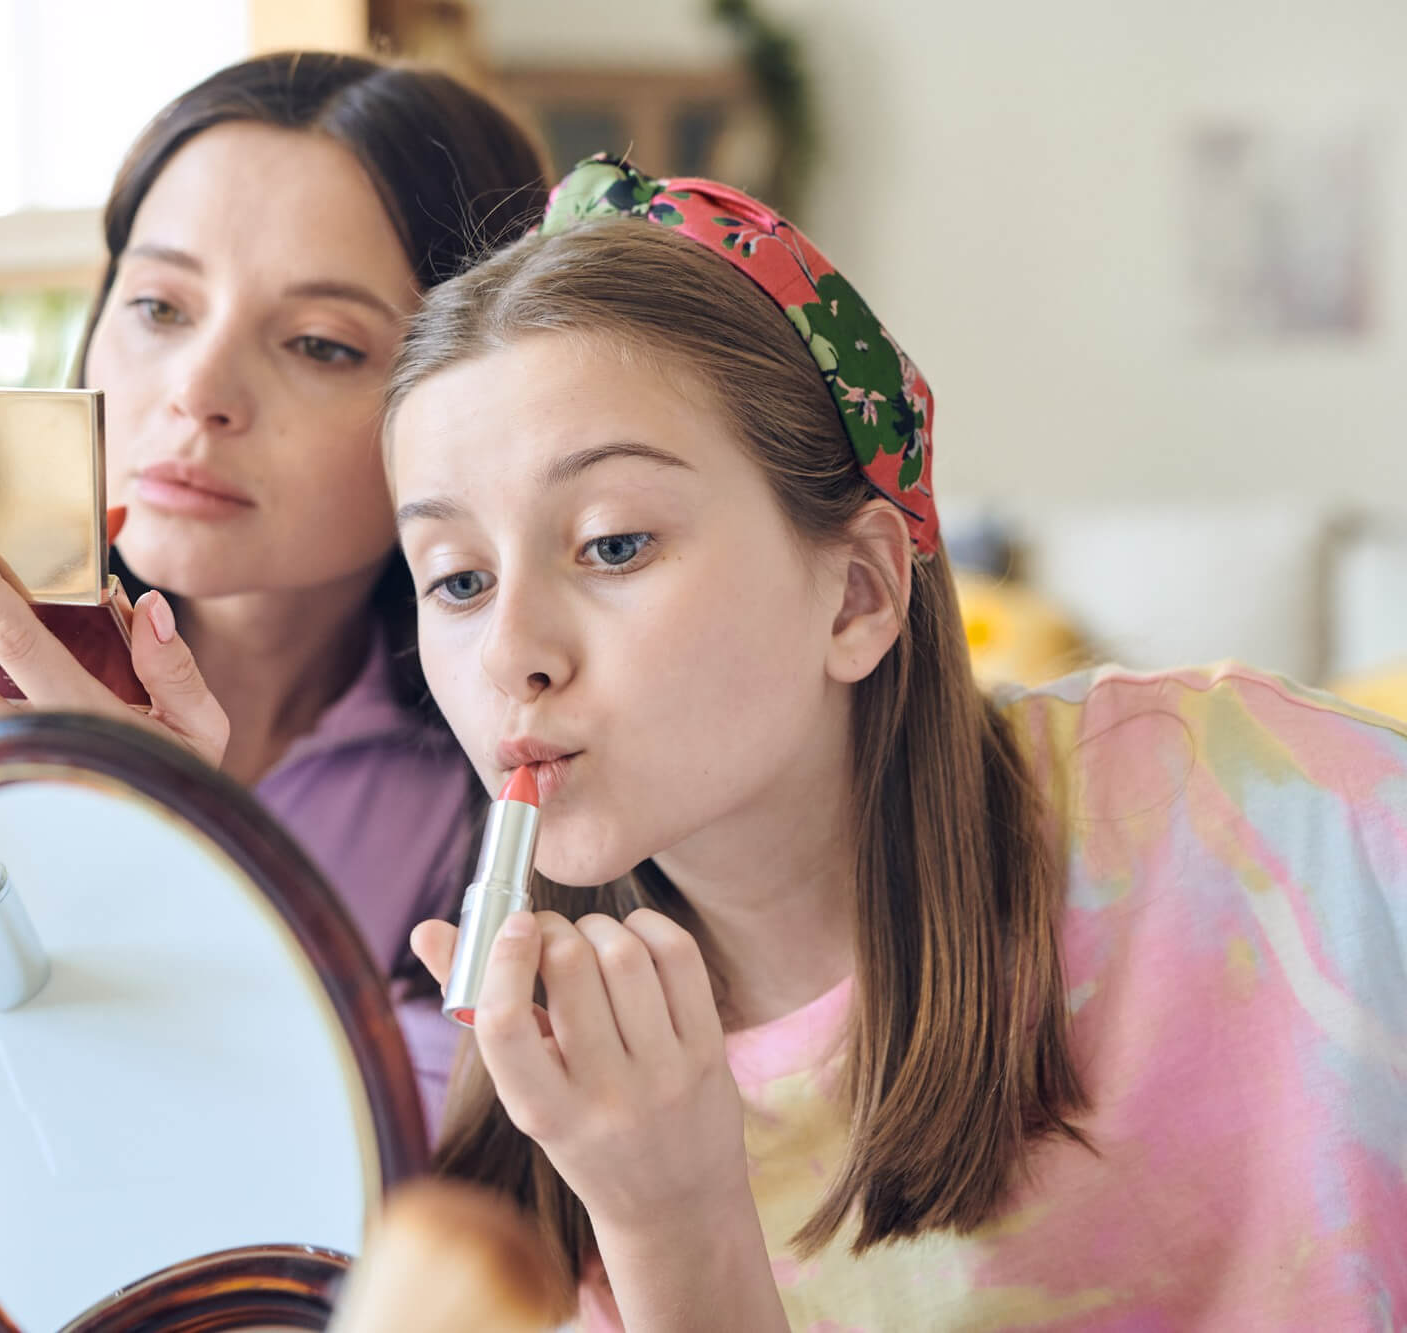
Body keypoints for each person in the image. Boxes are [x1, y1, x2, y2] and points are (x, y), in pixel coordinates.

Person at [385, 156, 1407, 1331]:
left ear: (859, 592)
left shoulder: (1253, 804)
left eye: (612, 545)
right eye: (456, 578)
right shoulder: (557, 1100)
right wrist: (669, 1223)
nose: (512, 649)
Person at [0, 53, 548, 1332]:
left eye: (317, 342)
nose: (195, 392)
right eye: (156, 307)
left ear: (462, 400)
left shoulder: (515, 727)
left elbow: (361, 1246)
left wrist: (124, 859)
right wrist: (4, 842)